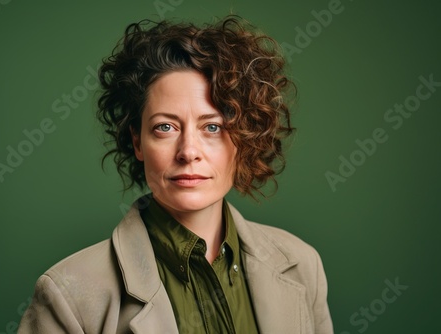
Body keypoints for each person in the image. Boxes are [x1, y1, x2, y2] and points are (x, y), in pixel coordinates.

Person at [18, 15, 333, 334]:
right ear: (138, 142)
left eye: (212, 127)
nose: (188, 151)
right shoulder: (67, 294)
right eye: (165, 127)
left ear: (242, 139)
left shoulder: (303, 265)